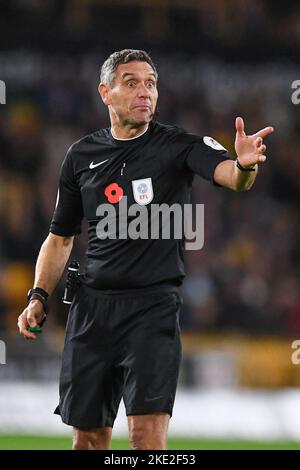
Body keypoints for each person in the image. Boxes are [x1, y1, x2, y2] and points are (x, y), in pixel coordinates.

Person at [17, 49, 274, 450]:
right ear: (106, 92)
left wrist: (244, 166)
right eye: (132, 82)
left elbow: (231, 177)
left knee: (147, 439)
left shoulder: (179, 145)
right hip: (92, 310)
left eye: (151, 83)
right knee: (87, 439)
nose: (145, 92)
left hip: (152, 309)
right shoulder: (81, 156)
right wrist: (37, 297)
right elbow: (60, 236)